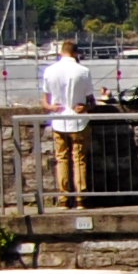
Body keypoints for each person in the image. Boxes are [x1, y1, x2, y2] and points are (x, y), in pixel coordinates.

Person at [41, 36, 94, 205]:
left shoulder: (49, 71)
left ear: (61, 52)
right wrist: (84, 107)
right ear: (76, 53)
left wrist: (51, 108)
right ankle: (80, 197)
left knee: (61, 158)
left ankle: (63, 197)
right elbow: (90, 100)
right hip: (78, 120)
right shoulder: (83, 71)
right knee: (79, 159)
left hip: (58, 118)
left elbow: (45, 101)